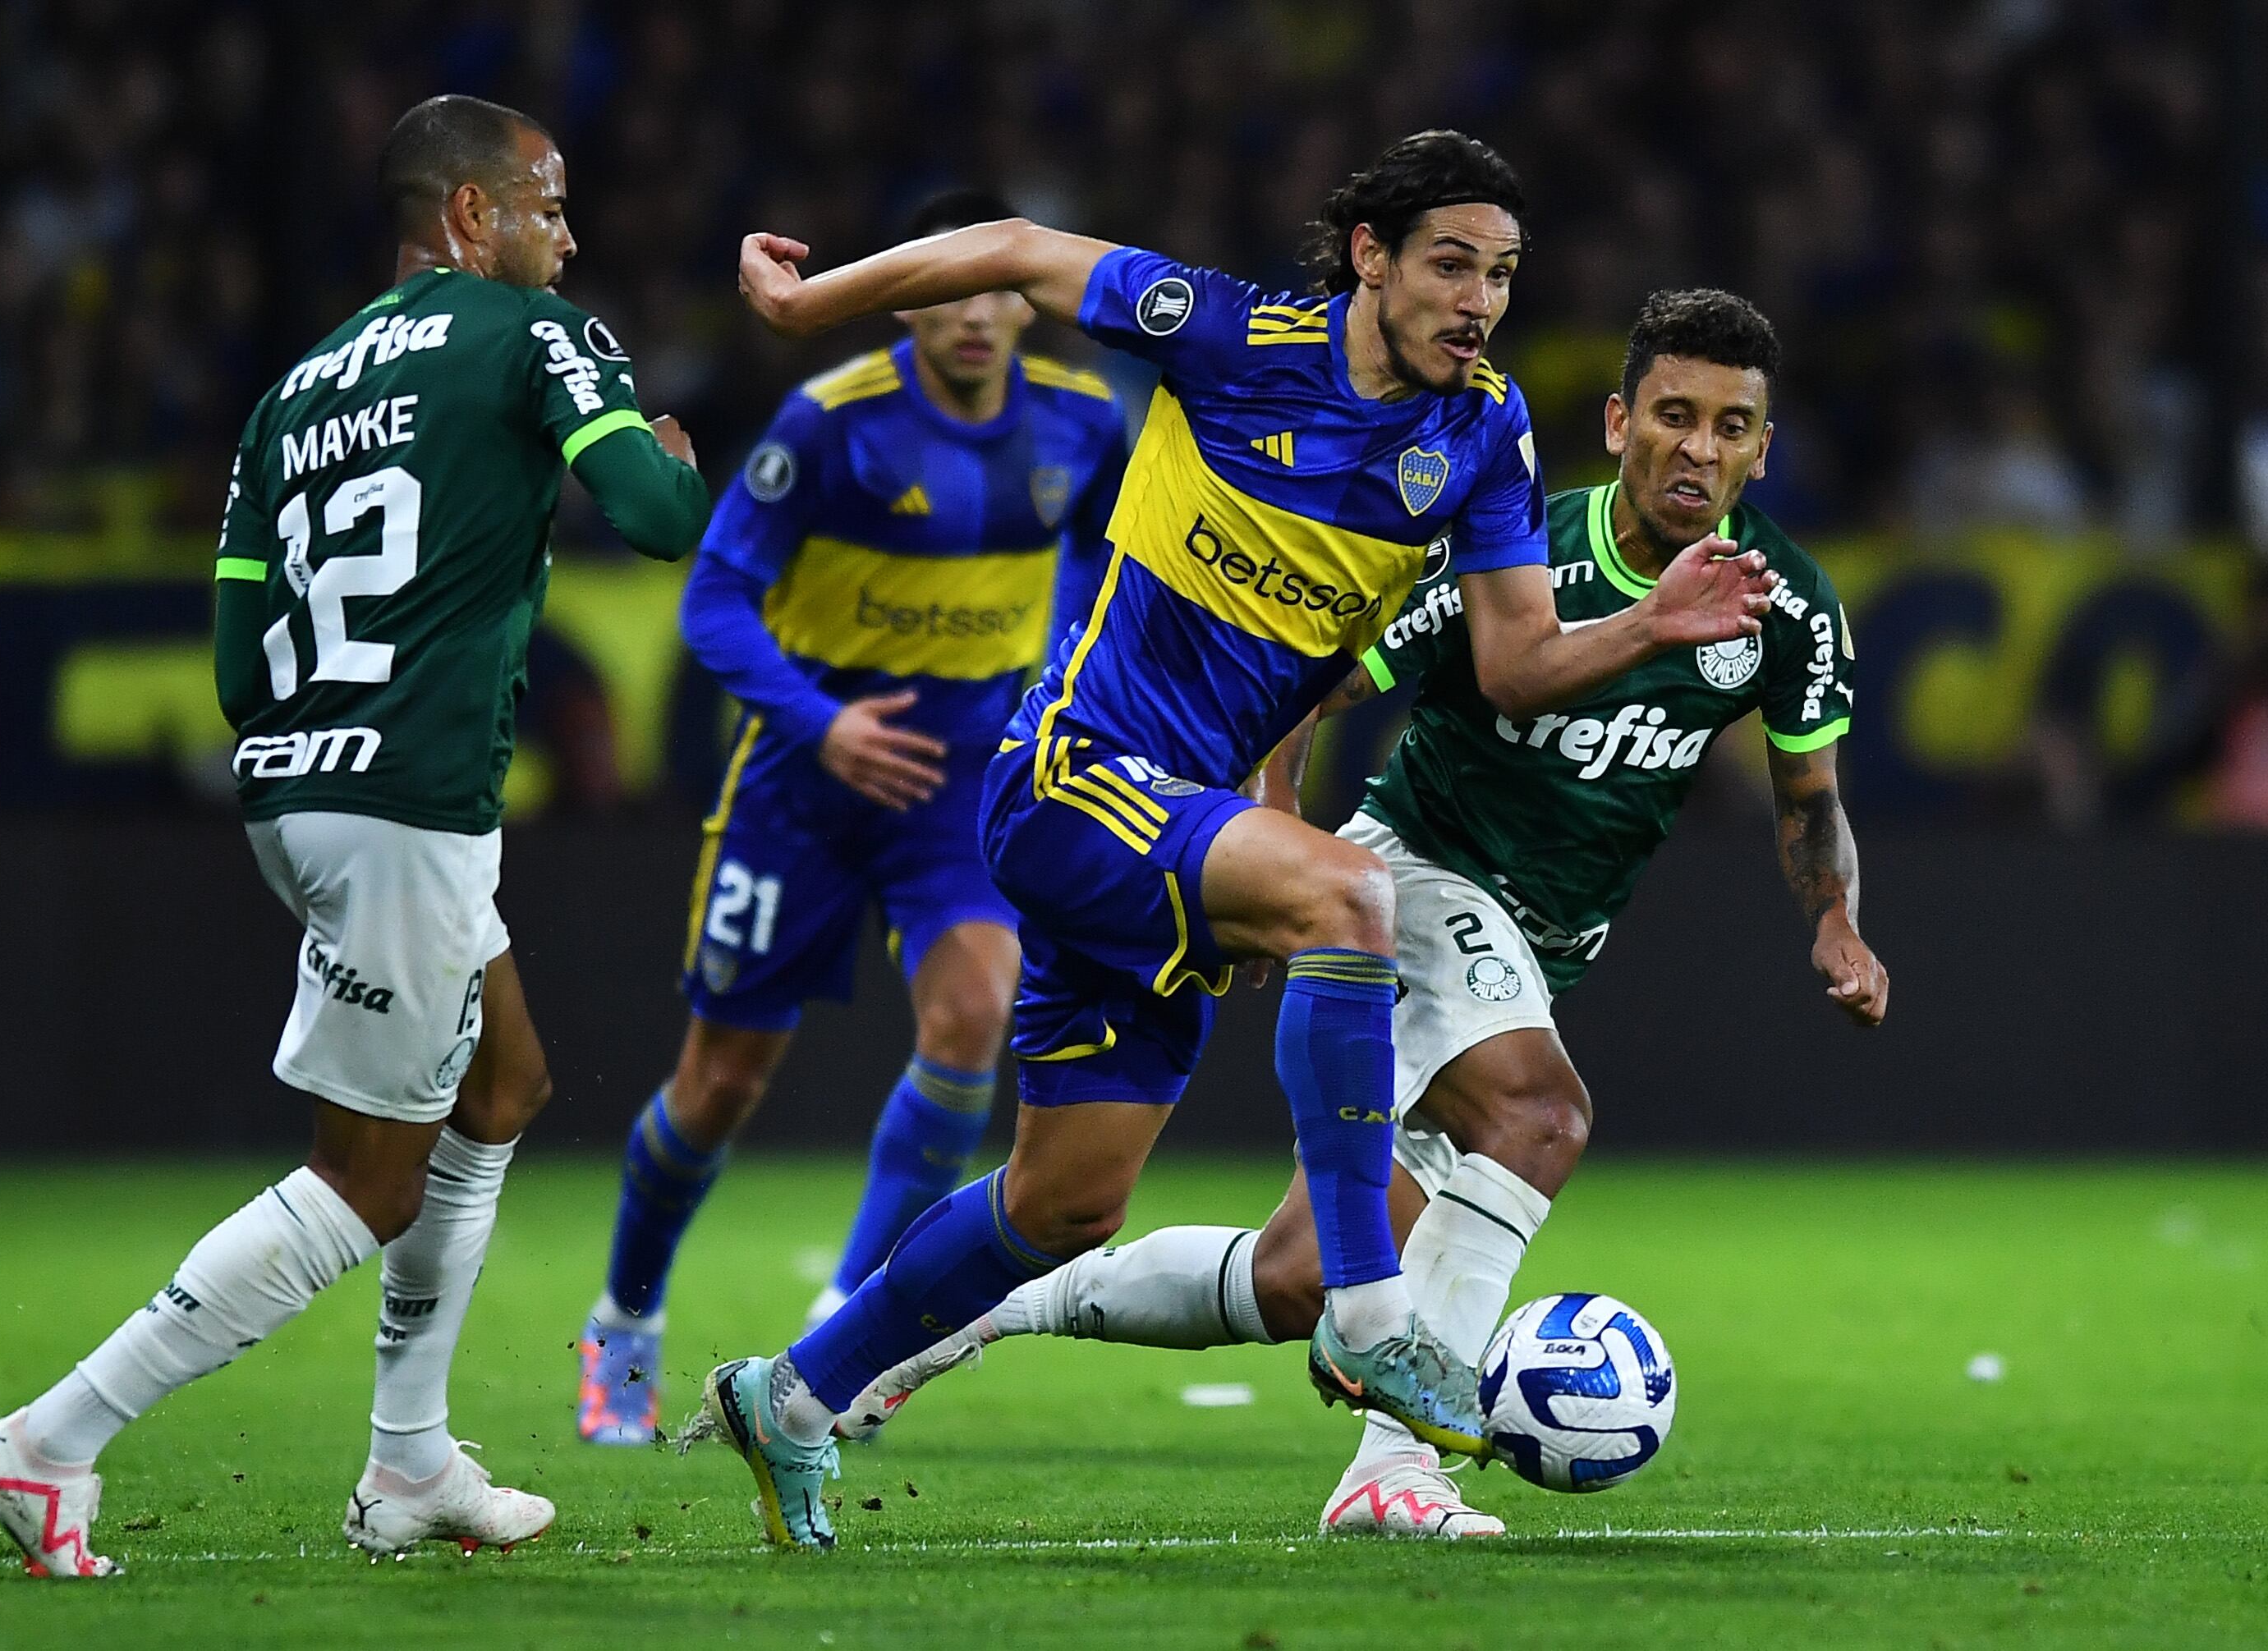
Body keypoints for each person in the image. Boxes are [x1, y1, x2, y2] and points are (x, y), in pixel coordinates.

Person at [685, 131, 1781, 1549]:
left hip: (1174, 833)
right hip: (1074, 773)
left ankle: (793, 1394)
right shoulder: (1227, 331)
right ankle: (1375, 1319)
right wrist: (804, 303)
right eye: (1449, 263)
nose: (1478, 300)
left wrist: (1645, 623)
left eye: (1501, 275)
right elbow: (1019, 247)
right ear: (1371, 257)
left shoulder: (1479, 435)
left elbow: (1513, 662)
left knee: (1061, 1205)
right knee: (1345, 892)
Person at [838, 289, 1889, 1539]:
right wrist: (1273, 854)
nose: (1698, 450)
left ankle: (993, 1301)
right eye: (1673, 415)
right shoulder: (1517, 559)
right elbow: (1309, 687)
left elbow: (1808, 795)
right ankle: (1398, 1471)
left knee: (1293, 1286)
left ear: (1762, 448)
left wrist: (1834, 920)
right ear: (1618, 423)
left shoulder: (1787, 602)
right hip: (1420, 881)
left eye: (1730, 426)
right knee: (1539, 1114)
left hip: (1533, 958)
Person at [0, 94, 709, 1576]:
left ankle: (411, 1461)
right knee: (365, 1179)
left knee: (504, 1079)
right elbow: (656, 513)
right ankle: (51, 1443)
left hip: (300, 785)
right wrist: (666, 455)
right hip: (408, 802)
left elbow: (237, 658)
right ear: (473, 217)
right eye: (549, 207)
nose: (571, 234)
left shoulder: (294, 388)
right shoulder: (530, 335)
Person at [577, 189, 1128, 1446]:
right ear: (904, 296)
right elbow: (715, 600)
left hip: (961, 781)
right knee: (718, 1085)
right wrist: (820, 721)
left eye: (997, 287)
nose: (977, 313)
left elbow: (1114, 562)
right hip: (805, 781)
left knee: (975, 1016)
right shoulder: (832, 426)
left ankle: (837, 1344)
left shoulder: (1086, 422)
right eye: (945, 289)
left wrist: (1065, 671)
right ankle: (625, 1323)